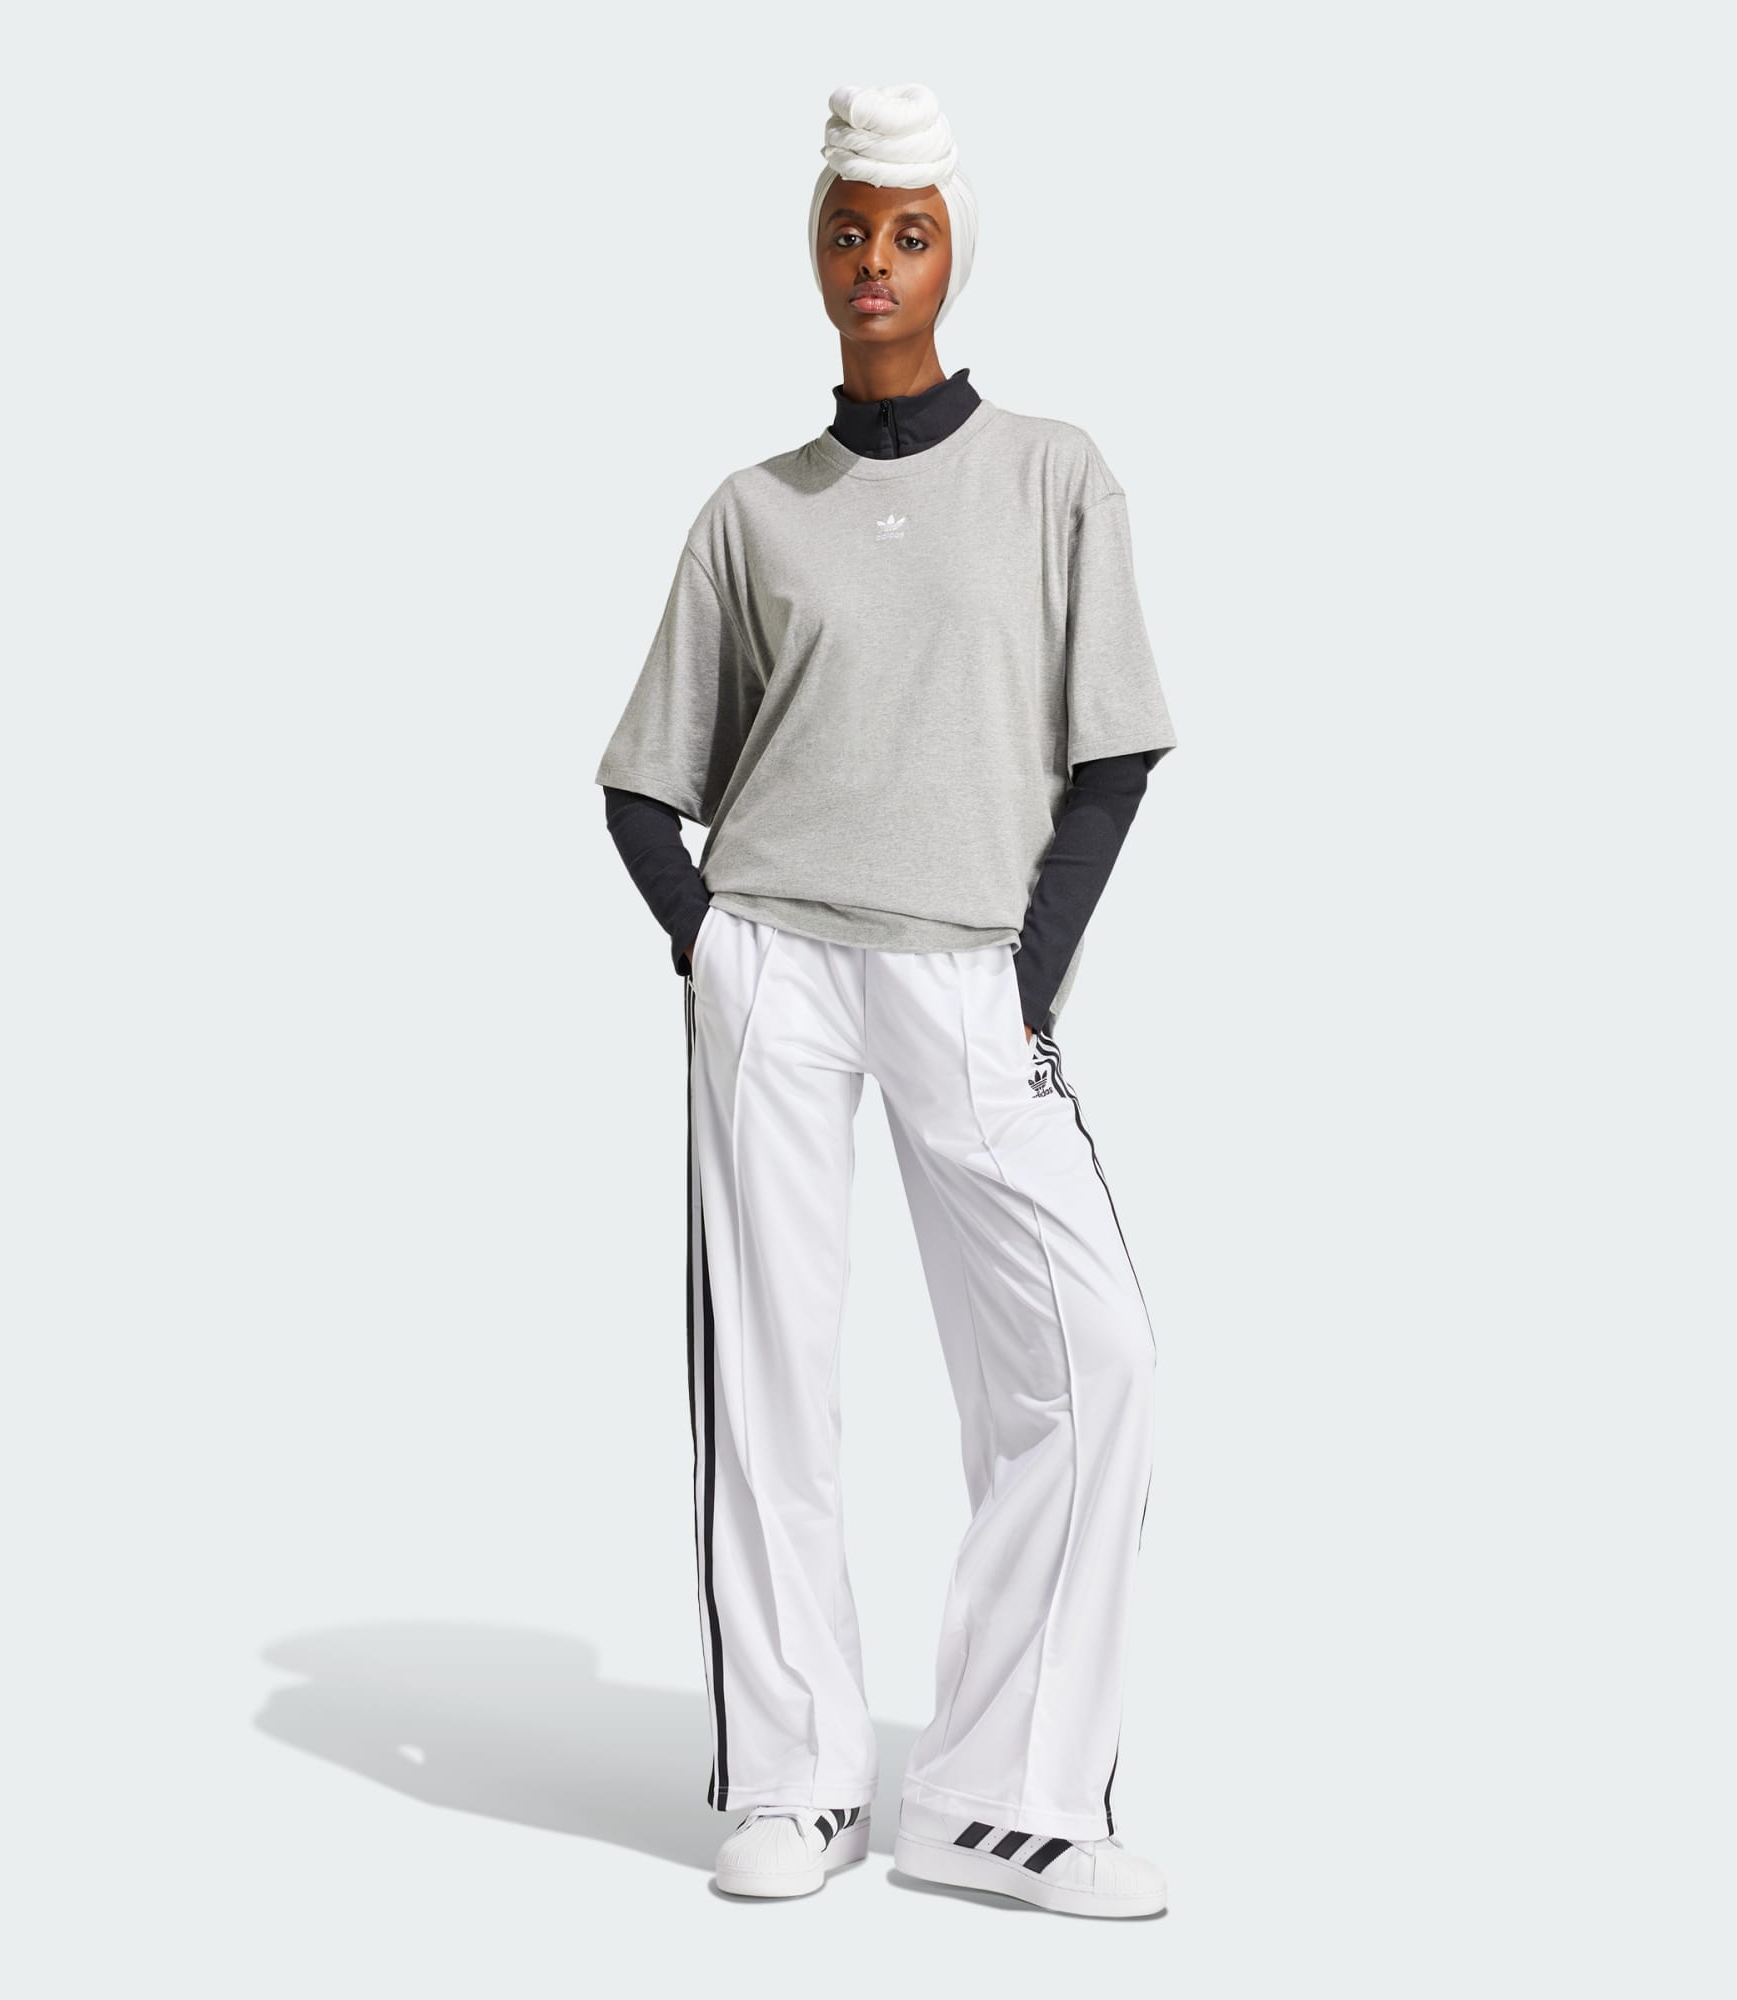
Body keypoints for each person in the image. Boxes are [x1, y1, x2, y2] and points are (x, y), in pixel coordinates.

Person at [594, 82, 1177, 1920]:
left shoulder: (1055, 477)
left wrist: (1027, 973)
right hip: (774, 957)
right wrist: (711, 945)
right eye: (848, 232)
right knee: (771, 1377)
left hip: (966, 966)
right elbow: (642, 785)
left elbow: (1113, 756)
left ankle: (1005, 1800)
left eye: (908, 234)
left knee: (1090, 1365)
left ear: (953, 256)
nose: (874, 264)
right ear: (816, 252)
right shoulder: (751, 512)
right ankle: (797, 1784)